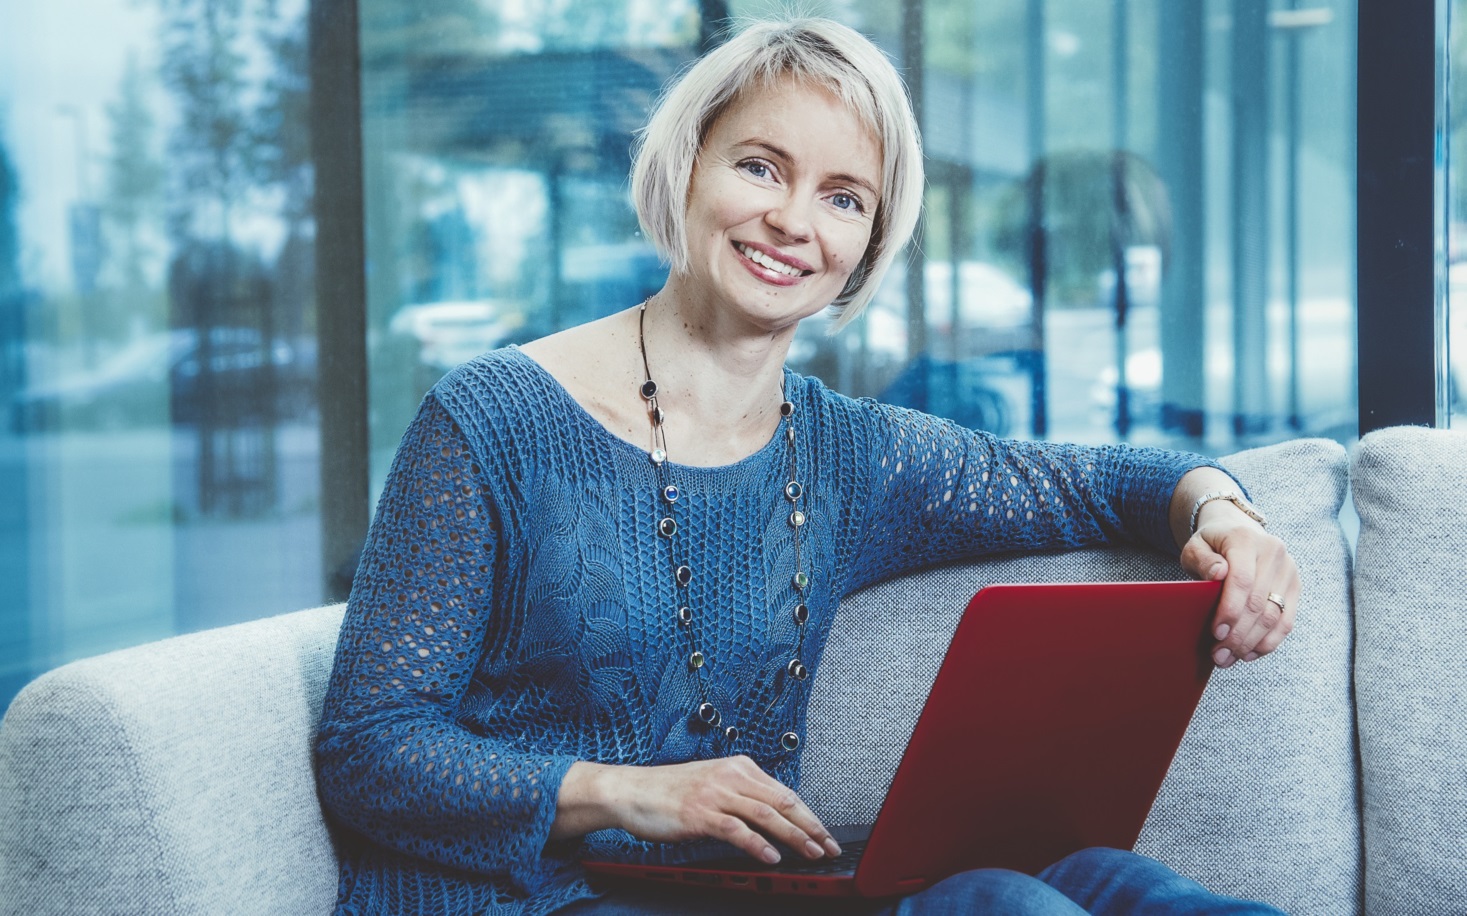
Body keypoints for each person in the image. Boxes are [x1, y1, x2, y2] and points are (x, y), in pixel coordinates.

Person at [314, 18, 1300, 916]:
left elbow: (1101, 481)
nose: (794, 219)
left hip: (727, 895)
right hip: (511, 897)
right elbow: (367, 748)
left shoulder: (847, 456)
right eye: (760, 166)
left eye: (842, 197)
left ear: (866, 246)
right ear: (689, 168)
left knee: (1103, 882)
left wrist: (1222, 511)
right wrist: (626, 791)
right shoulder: (493, 419)